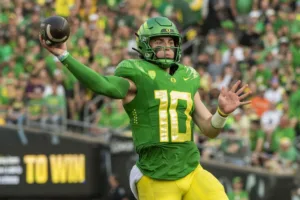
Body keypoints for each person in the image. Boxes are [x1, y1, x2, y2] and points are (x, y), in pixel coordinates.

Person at [40, 16, 251, 200]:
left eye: (171, 41)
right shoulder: (136, 73)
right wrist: (64, 56)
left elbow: (209, 129)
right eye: (159, 41)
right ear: (144, 44)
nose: (167, 46)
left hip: (192, 169)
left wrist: (222, 113)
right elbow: (103, 85)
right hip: (157, 175)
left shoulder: (188, 77)